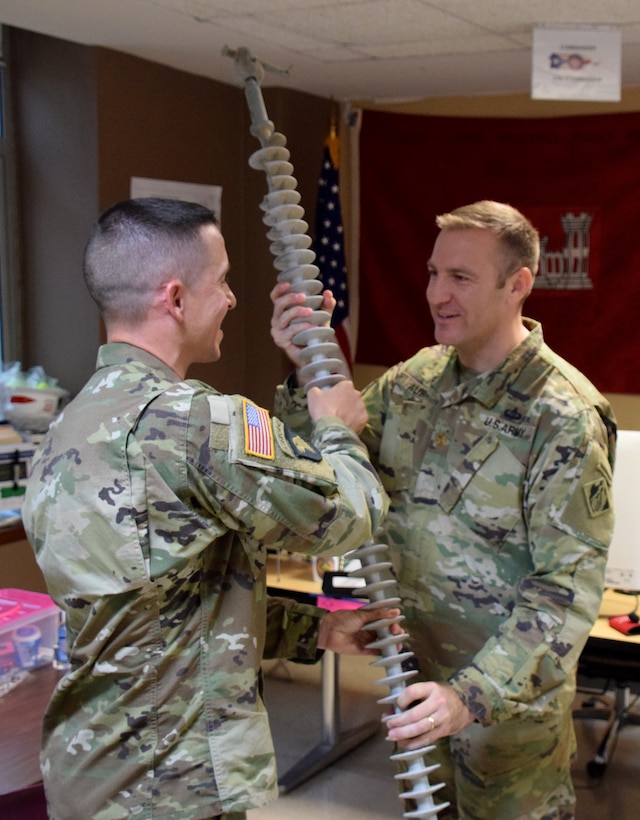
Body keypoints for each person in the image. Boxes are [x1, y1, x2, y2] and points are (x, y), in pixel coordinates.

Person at [22, 197, 393, 820]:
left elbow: (156, 608)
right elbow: (351, 514)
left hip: (88, 777)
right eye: (220, 282)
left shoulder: (67, 429)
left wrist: (314, 629)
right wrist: (338, 429)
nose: (231, 299)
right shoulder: (200, 422)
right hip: (175, 787)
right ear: (174, 298)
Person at [270, 200, 617, 819]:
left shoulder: (561, 417)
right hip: (416, 682)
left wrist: (471, 697)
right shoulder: (416, 381)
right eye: (433, 273)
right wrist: (305, 372)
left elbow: (565, 592)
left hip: (504, 718)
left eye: (460, 277)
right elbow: (326, 464)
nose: (436, 293)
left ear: (518, 286)